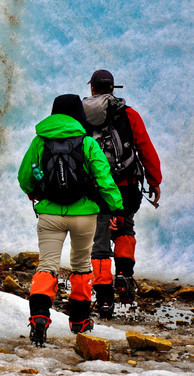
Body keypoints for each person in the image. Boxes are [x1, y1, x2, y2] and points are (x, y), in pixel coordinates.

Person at [18, 94, 124, 346]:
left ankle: (39, 317)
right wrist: (117, 208)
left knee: (47, 265)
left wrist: (33, 191)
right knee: (80, 264)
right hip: (84, 215)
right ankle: (79, 320)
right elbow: (104, 178)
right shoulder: (87, 142)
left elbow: (24, 175)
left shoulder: (40, 140)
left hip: (50, 214)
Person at [83, 70, 162, 319]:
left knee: (100, 238)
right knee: (125, 229)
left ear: (93, 89)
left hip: (94, 188)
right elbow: (145, 147)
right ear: (113, 89)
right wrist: (154, 180)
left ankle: (104, 298)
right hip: (125, 185)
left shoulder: (81, 115)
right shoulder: (128, 115)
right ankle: (124, 276)